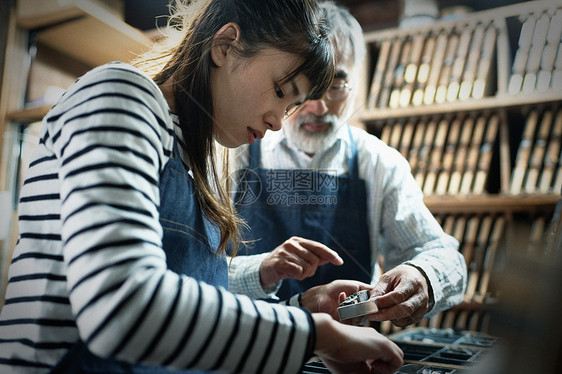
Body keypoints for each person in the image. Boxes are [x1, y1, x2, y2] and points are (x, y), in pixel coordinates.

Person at [0, 0, 404, 373]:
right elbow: (122, 305)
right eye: (281, 91)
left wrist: (304, 305)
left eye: (290, 107)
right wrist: (313, 335)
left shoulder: (195, 153)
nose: (279, 121)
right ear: (225, 46)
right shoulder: (121, 96)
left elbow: (187, 280)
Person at [229, 0, 467, 328]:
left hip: (349, 354)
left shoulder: (380, 162)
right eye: (305, 87)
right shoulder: (236, 151)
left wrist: (423, 275)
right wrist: (259, 271)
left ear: (356, 83)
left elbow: (444, 255)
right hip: (246, 344)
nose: (318, 106)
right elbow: (196, 273)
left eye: (335, 87)